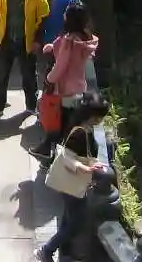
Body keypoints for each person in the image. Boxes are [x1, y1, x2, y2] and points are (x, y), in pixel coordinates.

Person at [36, 93, 110, 262]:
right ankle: (47, 249)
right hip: (73, 182)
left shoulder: (80, 127)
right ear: (93, 116)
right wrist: (87, 168)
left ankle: (64, 250)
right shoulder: (80, 133)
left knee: (70, 217)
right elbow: (67, 158)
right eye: (100, 117)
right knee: (77, 219)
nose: (101, 120)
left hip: (72, 183)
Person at [44, 1, 98, 103]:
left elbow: (60, 66)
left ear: (69, 19)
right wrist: (53, 47)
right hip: (83, 89)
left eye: (66, 12)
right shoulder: (89, 40)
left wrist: (49, 79)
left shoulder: (69, 42)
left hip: (67, 91)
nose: (63, 14)